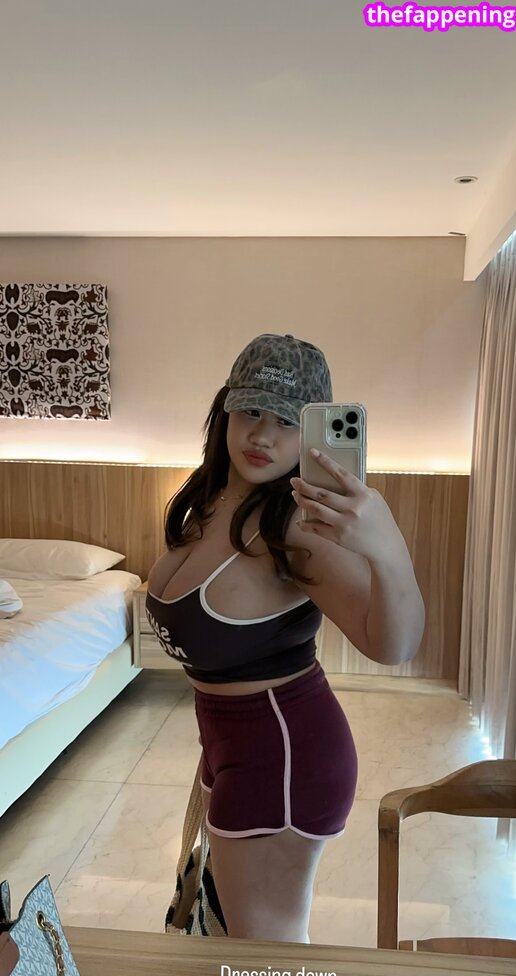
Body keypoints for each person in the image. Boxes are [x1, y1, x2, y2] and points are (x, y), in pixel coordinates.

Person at [146, 333, 425, 943]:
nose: (262, 436)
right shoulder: (211, 503)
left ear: (311, 436)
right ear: (225, 409)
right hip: (232, 746)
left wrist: (386, 547)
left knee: (269, 962)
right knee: (236, 940)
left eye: (286, 422)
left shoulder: (296, 526)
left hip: (285, 758)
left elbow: (394, 644)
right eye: (250, 411)